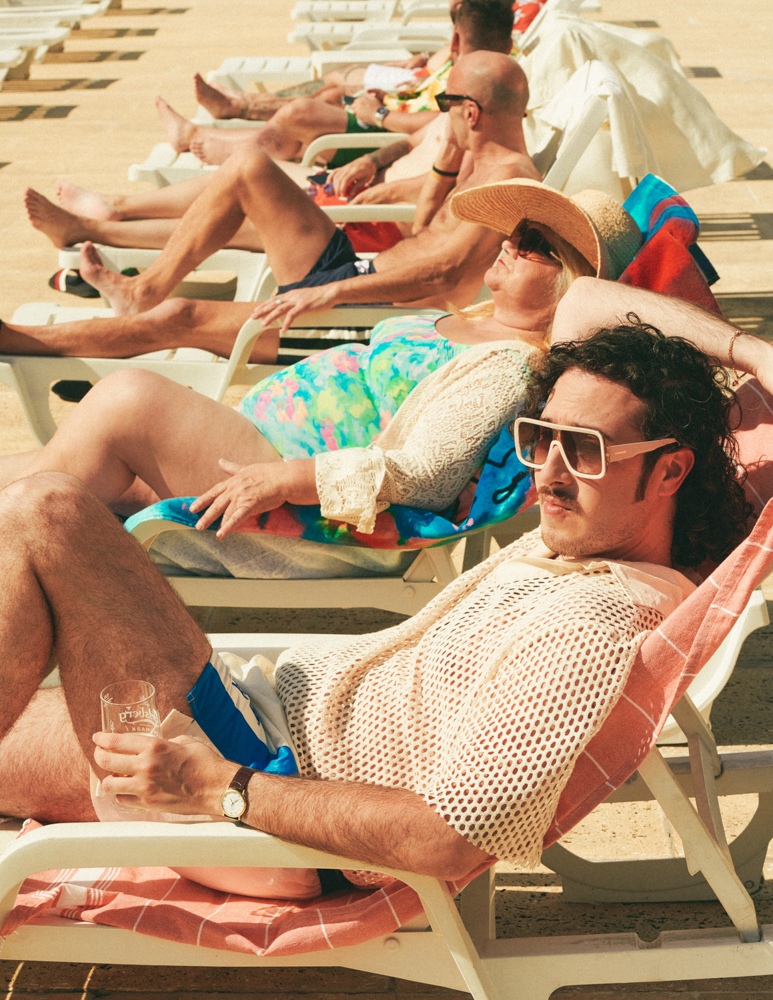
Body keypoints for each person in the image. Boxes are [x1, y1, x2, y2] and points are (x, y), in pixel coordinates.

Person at [0, 323, 754, 893]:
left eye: (583, 450)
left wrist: (219, 786)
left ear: (671, 471)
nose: (547, 475)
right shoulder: (588, 540)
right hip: (251, 718)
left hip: (256, 774)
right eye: (538, 439)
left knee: (50, 509)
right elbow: (583, 299)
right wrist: (747, 350)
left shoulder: (594, 628)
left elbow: (448, 841)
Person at [0, 181, 640, 580]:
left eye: (536, 245)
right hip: (261, 450)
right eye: (517, 231)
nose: (511, 242)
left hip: (302, 501)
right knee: (56, 465)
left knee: (127, 401)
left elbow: (426, 475)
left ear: (571, 285)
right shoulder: (478, 320)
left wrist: (286, 479)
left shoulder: (508, 367)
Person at [25, 49, 539, 323]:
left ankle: (137, 283)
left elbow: (445, 274)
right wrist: (445, 170)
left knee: (188, 306)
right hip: (362, 269)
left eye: (447, 103)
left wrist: (332, 291)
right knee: (248, 166)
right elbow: (426, 232)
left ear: (471, 112)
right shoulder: (476, 162)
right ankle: (139, 280)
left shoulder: (511, 183)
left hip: (370, 302)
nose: (440, 113)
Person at [155, 0, 514, 167]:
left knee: (301, 113)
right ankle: (219, 124)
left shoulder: (474, 81)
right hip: (395, 107)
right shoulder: (495, 63)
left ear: (456, 38)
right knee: (328, 93)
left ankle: (225, 145)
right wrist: (415, 68)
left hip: (389, 132)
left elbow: (441, 125)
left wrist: (379, 114)